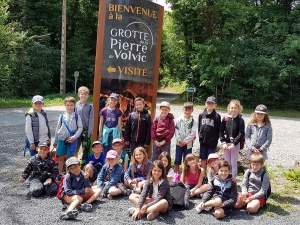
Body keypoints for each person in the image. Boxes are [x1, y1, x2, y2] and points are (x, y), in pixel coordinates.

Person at [53, 96, 83, 177]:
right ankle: (59, 175)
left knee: (69, 158)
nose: (69, 107)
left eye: (71, 105)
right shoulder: (62, 116)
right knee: (61, 157)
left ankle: (67, 175)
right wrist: (55, 141)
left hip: (71, 140)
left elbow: (80, 128)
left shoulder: (77, 116)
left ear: (74, 106)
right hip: (61, 139)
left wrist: (74, 137)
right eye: (68, 105)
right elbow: (57, 129)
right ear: (65, 105)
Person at [219, 99, 245, 178]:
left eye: (235, 108)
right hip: (226, 144)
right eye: (232, 108)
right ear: (229, 108)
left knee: (233, 162)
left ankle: (233, 179)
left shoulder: (240, 120)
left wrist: (234, 144)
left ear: (239, 109)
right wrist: (223, 142)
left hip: (235, 145)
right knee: (227, 163)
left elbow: (241, 133)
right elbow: (220, 131)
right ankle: (226, 178)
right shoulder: (225, 119)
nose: (233, 109)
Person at [198, 96, 221, 172]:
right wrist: (200, 136)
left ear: (215, 105)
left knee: (211, 160)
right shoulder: (201, 114)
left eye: (212, 103)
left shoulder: (217, 116)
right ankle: (203, 175)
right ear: (205, 104)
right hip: (203, 141)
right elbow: (199, 127)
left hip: (212, 142)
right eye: (208, 103)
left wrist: (216, 140)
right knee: (203, 159)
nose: (210, 105)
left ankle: (210, 175)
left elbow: (219, 129)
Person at [174, 102, 197, 173]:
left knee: (187, 159)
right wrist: (179, 140)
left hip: (188, 144)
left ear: (192, 110)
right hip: (179, 143)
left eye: (189, 110)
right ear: (183, 109)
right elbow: (176, 130)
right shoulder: (178, 119)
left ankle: (185, 174)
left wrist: (185, 141)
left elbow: (193, 133)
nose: (187, 112)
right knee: (177, 158)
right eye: (185, 110)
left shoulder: (193, 121)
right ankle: (176, 174)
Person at [75, 86, 94, 161]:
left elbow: (91, 120)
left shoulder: (90, 107)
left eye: (85, 94)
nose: (84, 96)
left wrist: (89, 132)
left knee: (85, 148)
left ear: (88, 96)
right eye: (82, 94)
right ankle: (75, 162)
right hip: (76, 131)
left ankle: (83, 163)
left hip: (86, 131)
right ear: (79, 94)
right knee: (75, 148)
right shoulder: (75, 105)